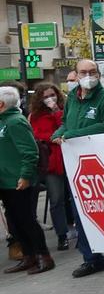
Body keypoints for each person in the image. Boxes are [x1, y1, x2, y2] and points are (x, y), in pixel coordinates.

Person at [52, 59, 104, 278]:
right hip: (78, 166)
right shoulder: (73, 97)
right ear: (76, 73)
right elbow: (66, 123)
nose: (88, 76)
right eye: (83, 72)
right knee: (81, 212)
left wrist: (75, 134)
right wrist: (59, 133)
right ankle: (91, 259)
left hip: (102, 164)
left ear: (99, 75)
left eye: (92, 72)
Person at [0, 85, 55, 275]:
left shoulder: (15, 122)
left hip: (19, 180)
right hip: (6, 181)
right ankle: (28, 256)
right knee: (15, 222)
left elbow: (29, 152)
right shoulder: (3, 122)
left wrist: (24, 175)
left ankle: (43, 256)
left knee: (27, 220)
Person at [30, 82, 70, 250]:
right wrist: (53, 137)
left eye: (52, 95)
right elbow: (37, 134)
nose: (50, 99)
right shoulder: (36, 115)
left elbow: (66, 125)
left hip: (68, 156)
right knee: (56, 199)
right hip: (52, 161)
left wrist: (56, 113)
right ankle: (62, 235)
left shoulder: (63, 110)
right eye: (45, 97)